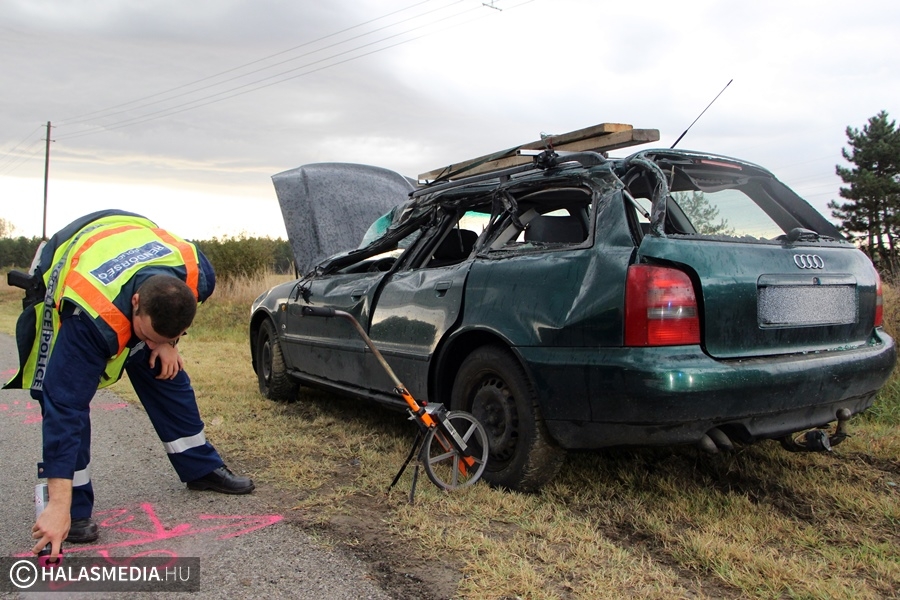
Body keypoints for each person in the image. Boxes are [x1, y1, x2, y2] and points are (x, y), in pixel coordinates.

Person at [3, 210, 254, 560]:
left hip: (126, 239)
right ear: (136, 304)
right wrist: (58, 505)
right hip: (63, 273)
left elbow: (166, 322)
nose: (152, 343)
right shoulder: (88, 319)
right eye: (150, 334)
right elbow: (66, 407)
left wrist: (167, 343)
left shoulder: (197, 272)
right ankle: (71, 507)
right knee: (60, 392)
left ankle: (200, 467)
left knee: (165, 370)